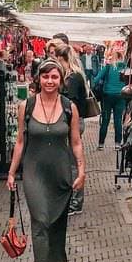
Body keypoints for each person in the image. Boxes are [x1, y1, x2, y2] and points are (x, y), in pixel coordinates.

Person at [7, 59, 86, 262]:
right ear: (38, 79)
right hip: (34, 172)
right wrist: (11, 172)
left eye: (54, 77)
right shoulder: (26, 106)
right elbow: (20, 143)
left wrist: (81, 170)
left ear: (61, 80)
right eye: (45, 77)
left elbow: (76, 142)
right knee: (40, 219)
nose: (49, 81)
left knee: (55, 221)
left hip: (60, 172)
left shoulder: (70, 107)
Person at [54, 44, 89, 215]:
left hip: (73, 124)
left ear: (64, 59)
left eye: (58, 60)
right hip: (71, 123)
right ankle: (71, 199)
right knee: (70, 162)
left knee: (73, 163)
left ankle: (75, 202)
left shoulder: (73, 78)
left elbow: (71, 102)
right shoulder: (73, 76)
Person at [92, 48, 127, 150]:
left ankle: (101, 144)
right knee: (118, 120)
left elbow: (96, 79)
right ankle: (117, 144)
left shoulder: (108, 67)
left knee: (105, 119)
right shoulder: (126, 68)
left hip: (107, 96)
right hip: (121, 96)